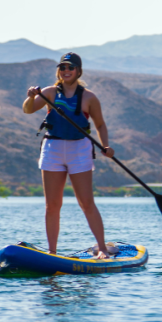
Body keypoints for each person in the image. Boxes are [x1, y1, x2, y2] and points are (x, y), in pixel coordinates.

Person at [23, 53, 117, 259]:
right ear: (59, 71)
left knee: (86, 202)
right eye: (63, 68)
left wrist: (106, 146)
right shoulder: (48, 92)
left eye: (70, 68)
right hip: (53, 149)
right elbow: (28, 110)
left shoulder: (89, 97)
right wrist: (30, 97)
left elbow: (100, 124)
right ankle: (52, 252)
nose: (66, 71)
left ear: (78, 71)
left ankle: (102, 248)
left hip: (79, 150)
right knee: (52, 205)